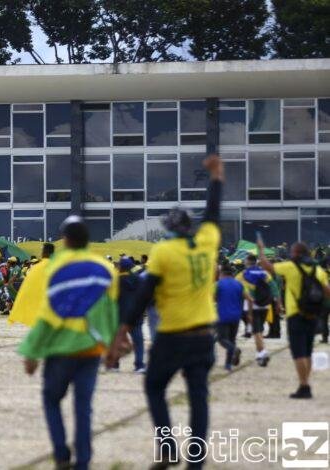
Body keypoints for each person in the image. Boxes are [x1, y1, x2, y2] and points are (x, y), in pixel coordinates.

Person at [108, 154, 224, 469]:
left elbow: (145, 294)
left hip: (173, 336)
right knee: (198, 397)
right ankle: (195, 461)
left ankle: (168, 446)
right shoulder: (206, 243)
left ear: (170, 229)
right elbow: (213, 214)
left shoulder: (164, 252)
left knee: (155, 387)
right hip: (204, 336)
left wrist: (123, 330)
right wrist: (216, 177)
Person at [19, 216, 119, 470]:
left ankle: (62, 455)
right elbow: (109, 311)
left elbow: (48, 313)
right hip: (91, 349)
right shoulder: (105, 269)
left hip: (61, 350)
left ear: (66, 240)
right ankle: (83, 462)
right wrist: (112, 346)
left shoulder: (55, 267)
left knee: (51, 400)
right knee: (83, 407)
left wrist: (32, 351)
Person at [257, 239, 330, 399]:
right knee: (308, 352)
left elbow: (267, 266)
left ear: (296, 253)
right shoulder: (318, 270)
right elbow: (327, 291)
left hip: (296, 315)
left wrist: (261, 249)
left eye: (292, 252)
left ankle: (304, 386)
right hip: (312, 315)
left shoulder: (291, 267)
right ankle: (305, 382)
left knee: (298, 353)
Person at [235, 254, 281, 366]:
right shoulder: (264, 273)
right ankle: (260, 353)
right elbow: (274, 288)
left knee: (257, 331)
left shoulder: (243, 274)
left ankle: (262, 353)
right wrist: (278, 303)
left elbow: (235, 287)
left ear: (247, 262)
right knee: (259, 329)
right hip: (265, 305)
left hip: (251, 306)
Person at [215, 265, 245, 371]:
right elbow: (242, 299)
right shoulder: (239, 284)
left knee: (222, 339)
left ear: (221, 274)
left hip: (222, 316)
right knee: (232, 339)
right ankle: (228, 364)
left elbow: (213, 298)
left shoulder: (218, 284)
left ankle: (234, 350)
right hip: (236, 316)